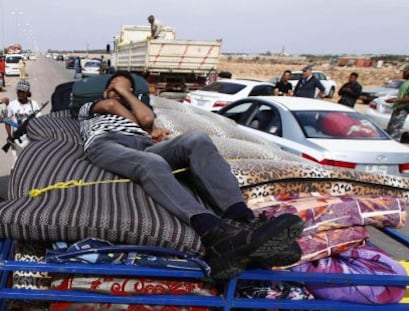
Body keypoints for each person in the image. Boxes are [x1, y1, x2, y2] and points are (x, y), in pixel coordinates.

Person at [78, 71, 303, 279]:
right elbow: (115, 107)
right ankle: (213, 232)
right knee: (151, 162)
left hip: (142, 145)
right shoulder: (91, 107)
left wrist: (129, 99)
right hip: (106, 143)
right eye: (114, 86)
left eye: (124, 88)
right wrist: (122, 97)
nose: (117, 92)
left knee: (197, 138)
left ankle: (244, 221)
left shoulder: (136, 112)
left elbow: (147, 120)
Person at [5, 80, 41, 164]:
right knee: (16, 165)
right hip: (17, 141)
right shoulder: (12, 105)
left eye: (23, 92)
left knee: (31, 164)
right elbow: (7, 121)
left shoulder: (33, 104)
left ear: (27, 92)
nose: (20, 94)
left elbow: (39, 121)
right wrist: (9, 136)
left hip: (31, 140)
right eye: (19, 91)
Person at [385, 64, 409, 141]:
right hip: (397, 108)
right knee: (390, 130)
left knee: (395, 132)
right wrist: (394, 99)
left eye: (405, 71)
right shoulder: (406, 82)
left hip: (402, 109)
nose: (403, 73)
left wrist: (396, 100)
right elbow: (403, 96)